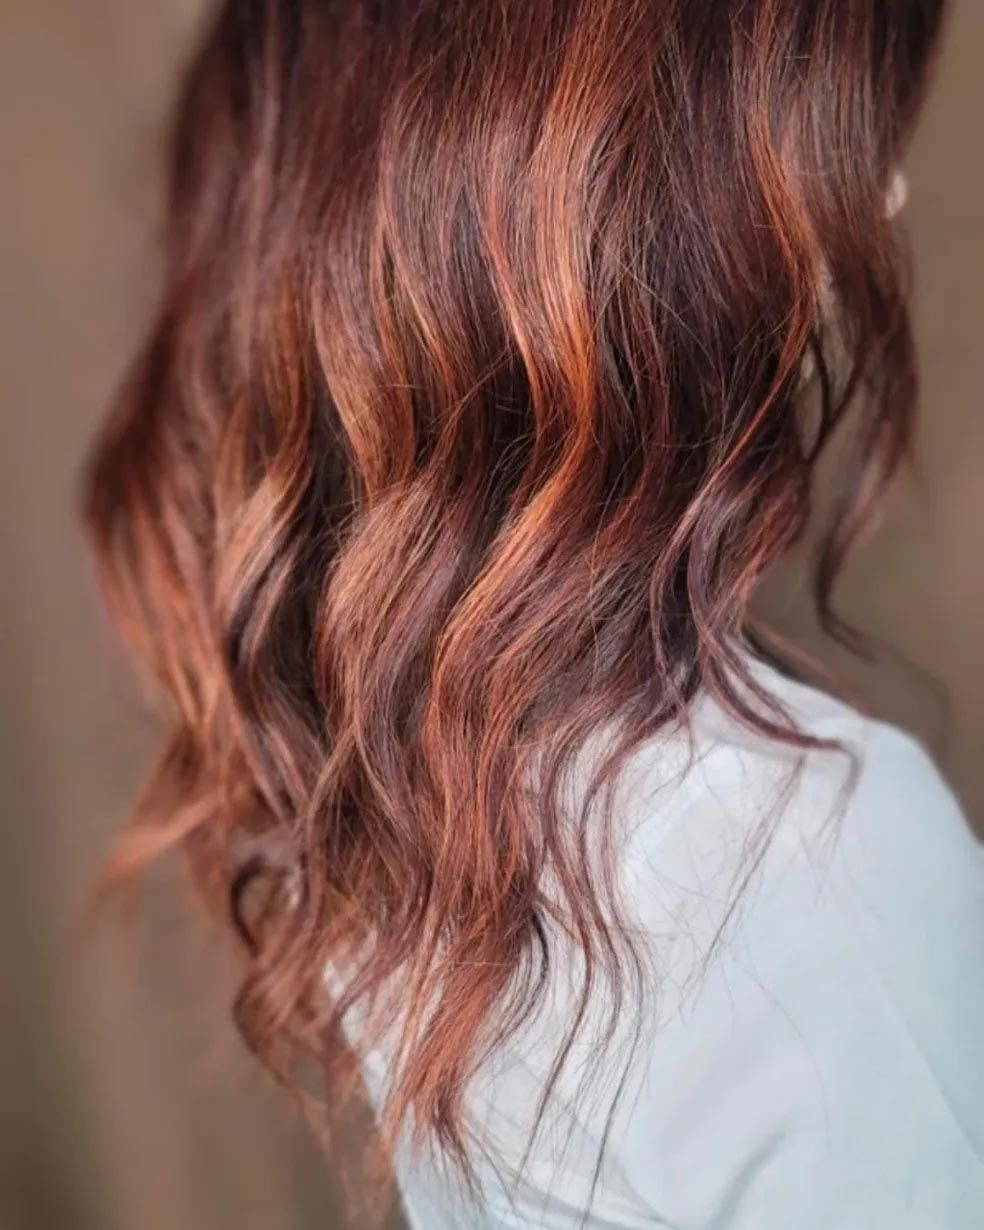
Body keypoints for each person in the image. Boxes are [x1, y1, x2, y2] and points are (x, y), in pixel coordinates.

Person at [85, 1, 984, 1225]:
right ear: (634, 191)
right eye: (833, 126)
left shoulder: (426, 805)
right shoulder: (802, 863)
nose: (882, 195)